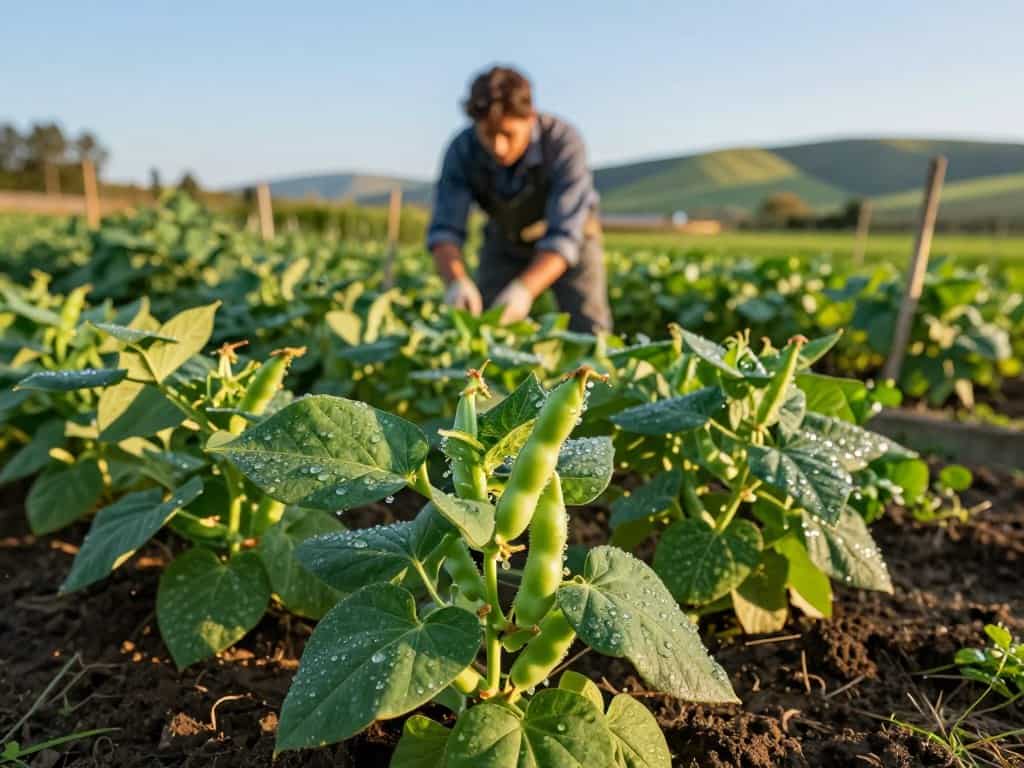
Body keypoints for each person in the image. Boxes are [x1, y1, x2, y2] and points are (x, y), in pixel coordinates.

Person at [426, 66, 612, 333]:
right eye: (488, 134)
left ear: (530, 118)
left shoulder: (563, 143)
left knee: (590, 330)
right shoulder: (462, 150)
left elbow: (564, 236)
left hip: (572, 243)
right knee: (488, 327)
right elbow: (445, 229)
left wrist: (524, 290)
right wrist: (456, 281)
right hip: (505, 239)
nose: (498, 147)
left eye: (508, 134)